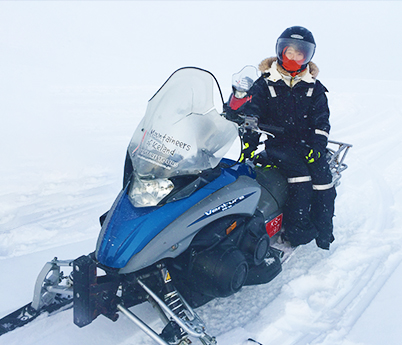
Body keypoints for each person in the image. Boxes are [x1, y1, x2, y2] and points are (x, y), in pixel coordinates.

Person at [233, 26, 336, 250]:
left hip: (308, 144)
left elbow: (321, 121)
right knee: (300, 177)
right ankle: (297, 231)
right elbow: (251, 109)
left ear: (307, 56)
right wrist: (248, 134)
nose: (294, 57)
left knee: (323, 178)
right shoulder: (265, 83)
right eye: (290, 52)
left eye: (300, 54)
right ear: (281, 51)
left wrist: (318, 146)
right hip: (278, 143)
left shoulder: (314, 87)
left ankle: (324, 230)